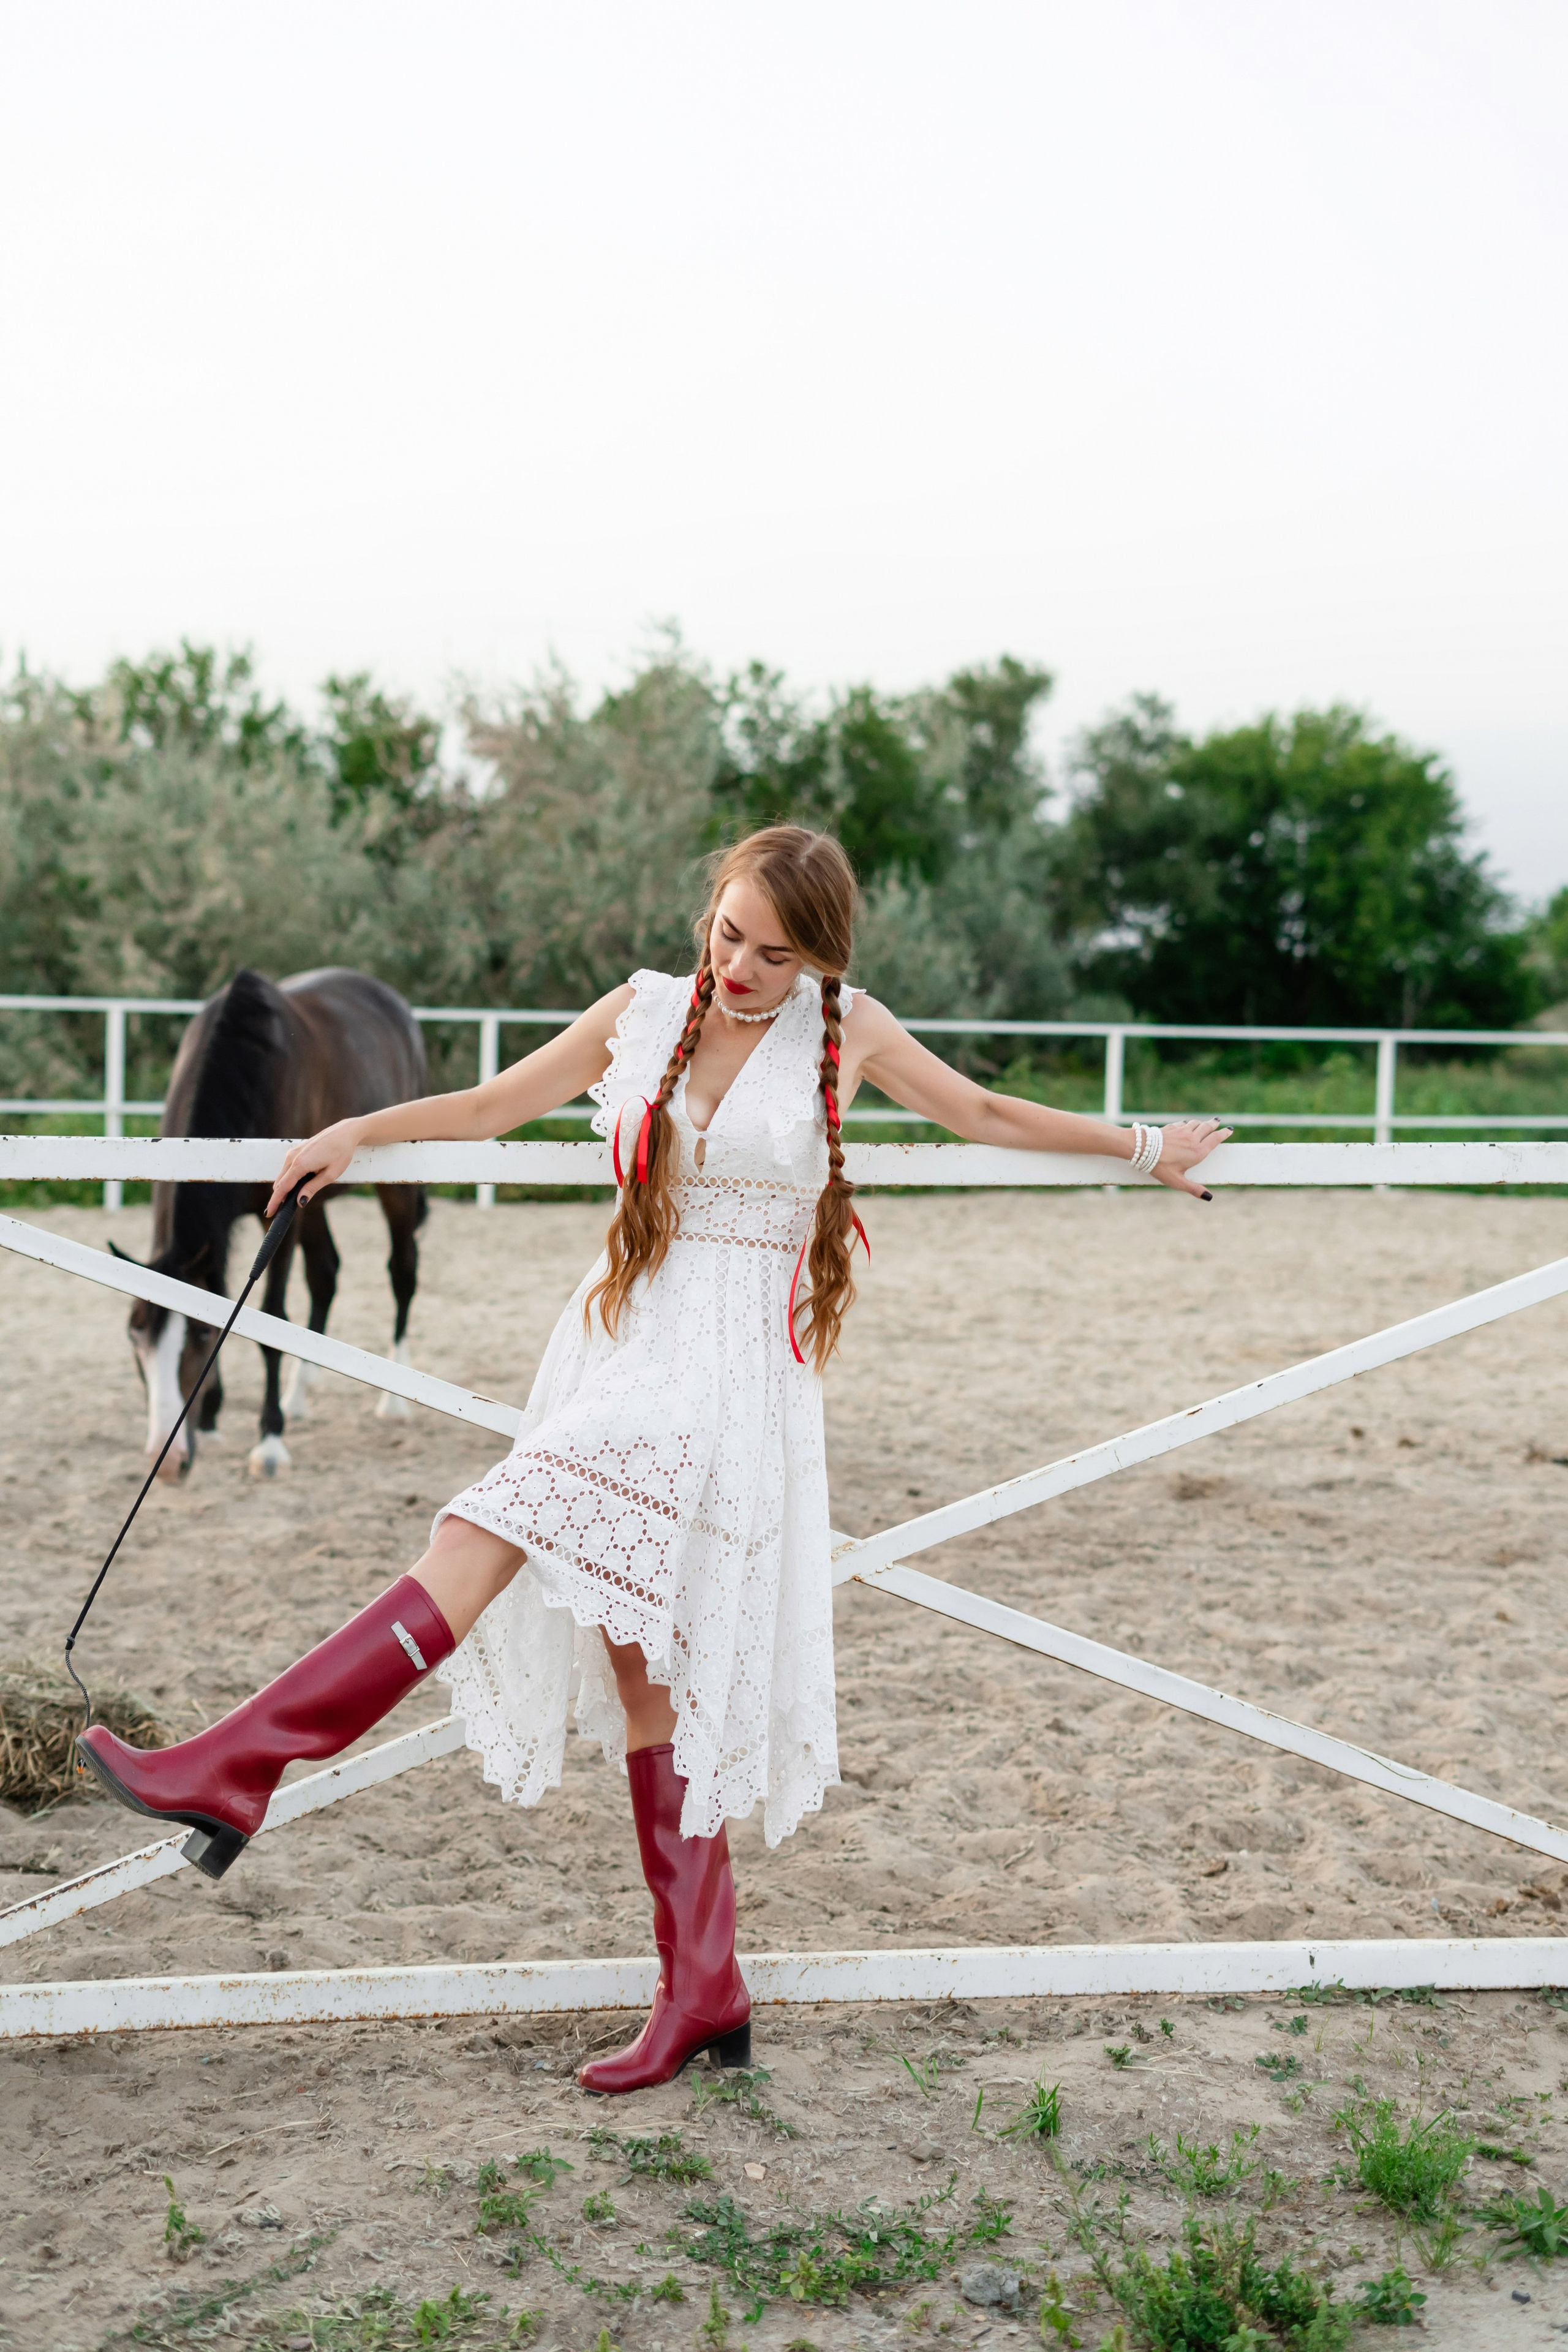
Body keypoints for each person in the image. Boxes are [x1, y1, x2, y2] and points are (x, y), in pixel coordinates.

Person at [77, 826, 1229, 2092]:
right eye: (727, 933)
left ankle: (237, 1771)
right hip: (622, 1346)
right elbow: (490, 1105)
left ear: (820, 958)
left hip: (733, 1378)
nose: (737, 966)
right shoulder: (643, 1012)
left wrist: (1141, 1149)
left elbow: (983, 1112)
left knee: (502, 1551)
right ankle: (702, 1990)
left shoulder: (848, 1032)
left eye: (771, 953)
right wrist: (355, 1127)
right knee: (634, 1670)